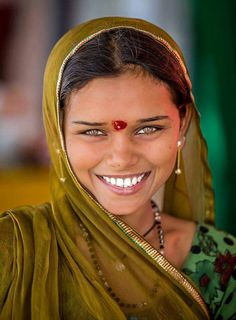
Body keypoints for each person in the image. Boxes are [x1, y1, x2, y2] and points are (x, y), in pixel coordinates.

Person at [0, 16, 235, 320]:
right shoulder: (11, 252)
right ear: (57, 134)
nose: (122, 158)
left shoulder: (222, 263)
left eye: (148, 129)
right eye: (93, 132)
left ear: (183, 124)